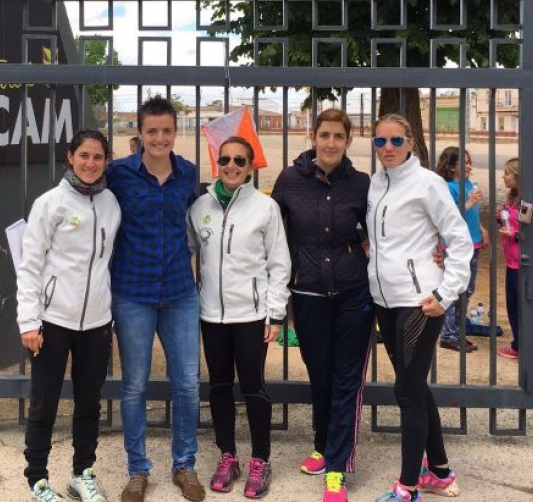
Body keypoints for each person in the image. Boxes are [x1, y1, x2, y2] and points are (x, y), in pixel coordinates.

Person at [365, 114, 474, 502]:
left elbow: (460, 240)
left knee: (407, 392)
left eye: (396, 140)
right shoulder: (376, 183)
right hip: (384, 300)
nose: (388, 148)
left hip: (420, 302)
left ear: (410, 142)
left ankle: (408, 487)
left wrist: (445, 294)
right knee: (414, 386)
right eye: (380, 142)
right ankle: (440, 472)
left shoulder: (428, 183)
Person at [105, 95, 205, 502]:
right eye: (152, 131)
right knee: (134, 386)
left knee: (187, 384)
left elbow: (205, 221)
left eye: (166, 130)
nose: (160, 138)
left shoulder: (188, 174)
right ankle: (137, 470)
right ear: (140, 134)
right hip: (133, 293)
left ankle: (184, 465)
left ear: (175, 132)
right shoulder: (118, 174)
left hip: (180, 292)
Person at [269, 108, 372, 502]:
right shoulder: (289, 180)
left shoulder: (361, 183)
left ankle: (336, 468)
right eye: (324, 135)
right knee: (321, 375)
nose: (330, 143)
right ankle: (322, 443)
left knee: (347, 380)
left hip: (353, 293)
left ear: (348, 141)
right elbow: (270, 228)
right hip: (309, 292)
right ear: (313, 137)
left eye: (338, 137)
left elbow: (384, 228)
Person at [16, 129, 122, 502]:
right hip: (52, 321)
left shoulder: (111, 202)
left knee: (89, 402)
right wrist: (29, 320)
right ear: (70, 157)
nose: (91, 164)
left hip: (96, 322)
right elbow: (30, 266)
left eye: (98, 157)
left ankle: (82, 473)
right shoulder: (50, 204)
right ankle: (38, 480)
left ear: (106, 160)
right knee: (44, 402)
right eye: (84, 156)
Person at [189, 136, 291, 499]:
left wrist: (275, 314)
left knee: (252, 387)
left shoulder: (265, 208)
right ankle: (227, 455)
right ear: (217, 163)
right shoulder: (200, 206)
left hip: (251, 314)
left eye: (240, 161)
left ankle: (260, 459)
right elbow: (187, 252)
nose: (232, 166)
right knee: (218, 386)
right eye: (226, 159)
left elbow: (279, 264)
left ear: (250, 167)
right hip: (211, 315)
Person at [433, 147, 488, 354]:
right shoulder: (448, 187)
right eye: (462, 162)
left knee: (468, 288)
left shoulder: (468, 184)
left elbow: (472, 214)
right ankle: (448, 335)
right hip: (453, 245)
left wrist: (482, 229)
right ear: (450, 166)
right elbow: (447, 216)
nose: (468, 165)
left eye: (468, 162)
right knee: (453, 289)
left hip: (473, 242)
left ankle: (456, 329)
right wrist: (470, 202)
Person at [496, 158, 522, 360]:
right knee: (512, 304)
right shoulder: (511, 198)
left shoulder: (525, 200)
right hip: (511, 260)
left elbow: (528, 233)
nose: (503, 176)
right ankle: (519, 343)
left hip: (522, 262)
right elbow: (511, 221)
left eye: (507, 173)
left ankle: (520, 346)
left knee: (518, 306)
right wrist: (500, 217)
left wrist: (512, 234)